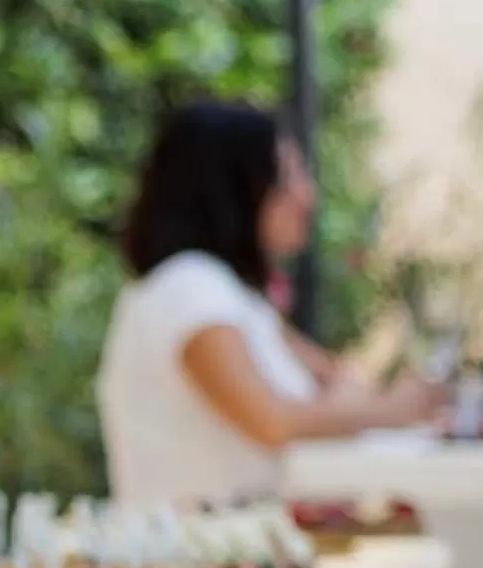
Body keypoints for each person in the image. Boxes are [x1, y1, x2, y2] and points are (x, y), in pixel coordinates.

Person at [98, 101, 434, 508]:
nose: (306, 196)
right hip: (197, 558)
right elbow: (273, 420)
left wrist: (356, 402)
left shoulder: (231, 296)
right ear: (235, 185)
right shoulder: (189, 290)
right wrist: (392, 410)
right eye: (287, 176)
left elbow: (335, 376)